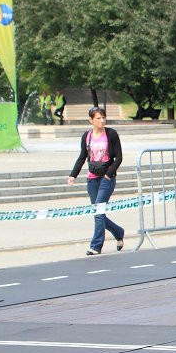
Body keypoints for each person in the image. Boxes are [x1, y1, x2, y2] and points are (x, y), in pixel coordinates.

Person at [67, 107, 125, 256]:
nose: (102, 121)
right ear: (91, 120)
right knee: (98, 213)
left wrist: (108, 175)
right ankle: (118, 232)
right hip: (92, 179)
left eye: (103, 117)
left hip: (107, 178)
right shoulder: (87, 136)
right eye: (98, 118)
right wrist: (73, 175)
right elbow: (82, 157)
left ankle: (96, 246)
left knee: (99, 212)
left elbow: (118, 157)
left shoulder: (111, 134)